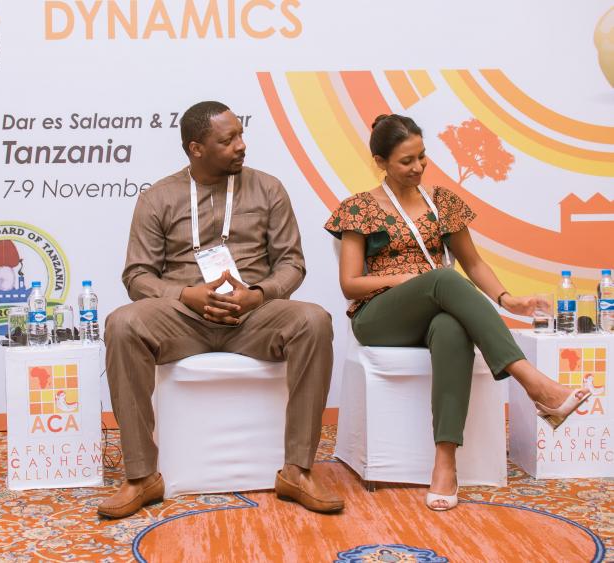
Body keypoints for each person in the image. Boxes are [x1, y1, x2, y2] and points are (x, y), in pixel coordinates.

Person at [325, 113, 590, 511]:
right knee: (443, 278)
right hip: (380, 316)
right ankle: (533, 382)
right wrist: (403, 279)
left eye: (421, 156)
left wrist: (507, 299)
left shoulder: (443, 203)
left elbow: (474, 262)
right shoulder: (359, 208)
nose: (418, 167)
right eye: (406, 161)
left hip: (434, 310)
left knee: (451, 327)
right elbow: (350, 284)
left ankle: (445, 462)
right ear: (380, 162)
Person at [98, 101, 342, 519]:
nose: (241, 145)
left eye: (241, 135)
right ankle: (141, 477)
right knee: (122, 324)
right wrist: (184, 295)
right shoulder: (158, 197)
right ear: (196, 148)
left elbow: (292, 263)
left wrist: (259, 294)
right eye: (228, 140)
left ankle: (297, 471)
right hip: (184, 319)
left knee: (314, 320)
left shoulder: (268, 189)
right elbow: (137, 276)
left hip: (254, 316)